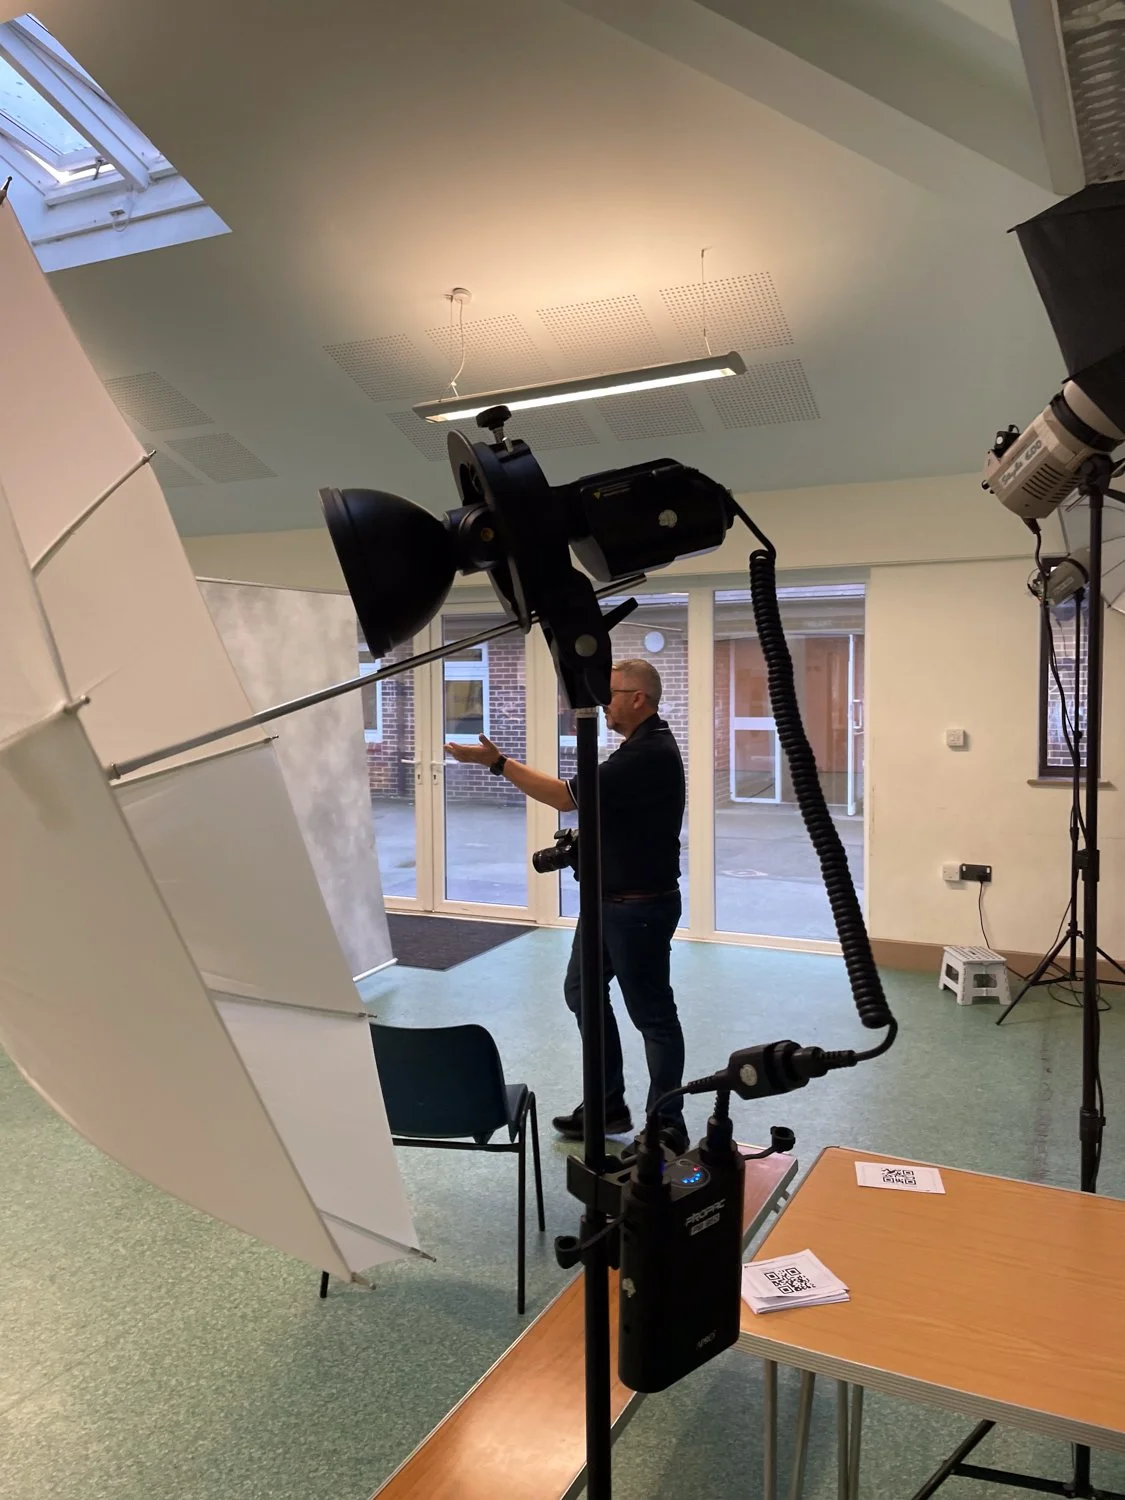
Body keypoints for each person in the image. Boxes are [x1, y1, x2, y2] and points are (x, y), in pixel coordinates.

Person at [444, 658, 688, 1155]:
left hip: (637, 909)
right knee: (582, 991)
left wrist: (496, 763)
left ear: (638, 698)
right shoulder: (634, 750)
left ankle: (667, 1123)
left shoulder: (647, 754)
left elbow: (563, 797)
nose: (604, 703)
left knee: (653, 1016)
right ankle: (607, 1102)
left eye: (612, 692)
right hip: (607, 904)